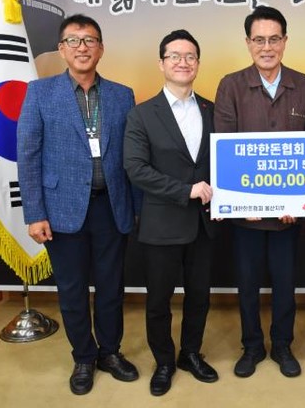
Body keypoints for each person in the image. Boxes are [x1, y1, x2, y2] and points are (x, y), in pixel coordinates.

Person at [17, 14, 138, 395]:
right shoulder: (40, 93)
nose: (82, 47)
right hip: (61, 209)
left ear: (101, 48)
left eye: (90, 40)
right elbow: (28, 155)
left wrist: (135, 206)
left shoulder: (122, 95)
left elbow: (132, 156)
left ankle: (110, 352)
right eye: (74, 40)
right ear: (62, 49)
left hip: (111, 207)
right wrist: (35, 213)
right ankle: (84, 357)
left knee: (111, 288)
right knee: (71, 291)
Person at [214, 5, 305, 378]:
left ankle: (283, 346)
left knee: (286, 285)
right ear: (248, 43)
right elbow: (225, 149)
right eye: (259, 40)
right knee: (248, 285)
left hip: (289, 216)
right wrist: (243, 203)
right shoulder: (231, 85)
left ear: (285, 41)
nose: (267, 47)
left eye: (274, 39)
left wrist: (296, 203)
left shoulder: (304, 85)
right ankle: (252, 346)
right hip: (247, 215)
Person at [123, 29, 219, 397]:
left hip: (205, 224)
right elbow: (136, 169)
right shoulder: (142, 114)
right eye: (175, 56)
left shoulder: (212, 110)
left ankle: (190, 353)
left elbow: (224, 162)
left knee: (200, 296)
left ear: (198, 63)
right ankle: (164, 361)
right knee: (159, 300)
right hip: (162, 224)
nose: (183, 62)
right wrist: (185, 190)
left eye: (190, 56)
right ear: (162, 64)